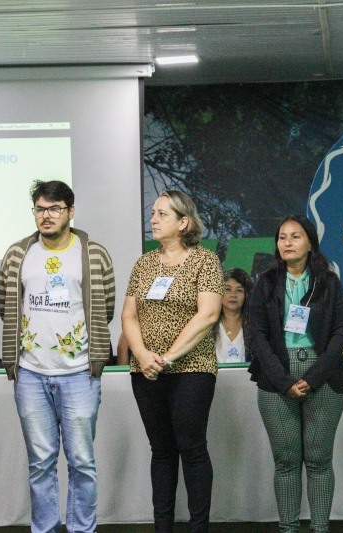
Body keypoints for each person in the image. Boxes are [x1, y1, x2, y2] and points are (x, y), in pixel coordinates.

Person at [0, 180, 115, 533]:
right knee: (40, 463)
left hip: (80, 372)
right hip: (31, 374)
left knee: (82, 462)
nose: (46, 216)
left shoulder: (94, 253)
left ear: (70, 211)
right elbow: (7, 307)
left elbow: (105, 309)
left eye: (54, 208)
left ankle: (82, 529)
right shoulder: (17, 254)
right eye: (40, 209)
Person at [122, 190, 223, 532]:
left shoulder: (205, 261)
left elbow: (208, 315)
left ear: (183, 222)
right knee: (162, 451)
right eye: (153, 213)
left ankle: (198, 528)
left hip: (192, 369)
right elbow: (129, 316)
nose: (153, 219)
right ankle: (162, 527)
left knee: (192, 449)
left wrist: (166, 357)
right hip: (146, 371)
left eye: (161, 214)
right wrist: (142, 355)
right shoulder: (144, 264)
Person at [248, 214, 343, 533]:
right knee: (286, 461)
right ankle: (289, 528)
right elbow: (257, 336)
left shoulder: (329, 282)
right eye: (282, 237)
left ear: (310, 243)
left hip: (323, 375)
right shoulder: (265, 282)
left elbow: (341, 332)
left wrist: (313, 377)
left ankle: (320, 528)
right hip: (275, 378)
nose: (287, 243)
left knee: (319, 460)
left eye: (295, 237)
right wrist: (284, 382)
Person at [214, 267, 253, 363]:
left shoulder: (255, 326)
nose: (233, 295)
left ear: (246, 295)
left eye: (239, 290)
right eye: (227, 289)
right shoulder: (209, 325)